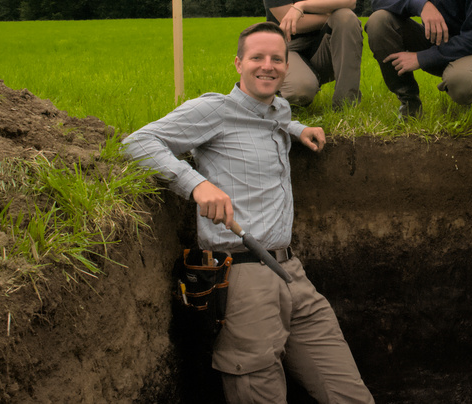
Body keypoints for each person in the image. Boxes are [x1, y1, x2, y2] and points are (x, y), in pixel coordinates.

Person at [122, 22, 373, 403]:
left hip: (291, 273)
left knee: (348, 391)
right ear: (238, 63)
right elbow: (137, 142)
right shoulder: (214, 110)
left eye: (277, 59)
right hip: (241, 276)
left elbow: (271, 118)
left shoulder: (277, 110)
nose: (267, 66)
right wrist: (196, 184)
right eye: (257, 57)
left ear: (287, 67)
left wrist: (297, 128)